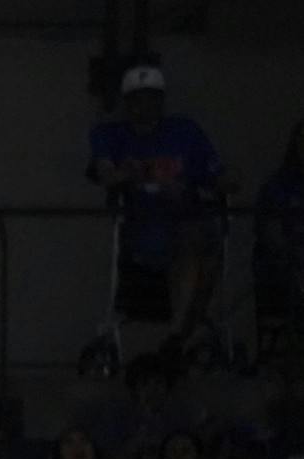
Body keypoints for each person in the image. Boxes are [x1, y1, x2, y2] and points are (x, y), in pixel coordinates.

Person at [88, 64, 229, 348]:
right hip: (144, 230)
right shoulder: (109, 134)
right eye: (137, 98)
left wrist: (228, 180)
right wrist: (134, 173)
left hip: (191, 223)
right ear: (126, 103)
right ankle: (178, 339)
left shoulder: (185, 131)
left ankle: (180, 335)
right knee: (188, 245)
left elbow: (218, 177)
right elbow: (106, 175)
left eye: (152, 97)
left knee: (206, 246)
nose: (145, 105)